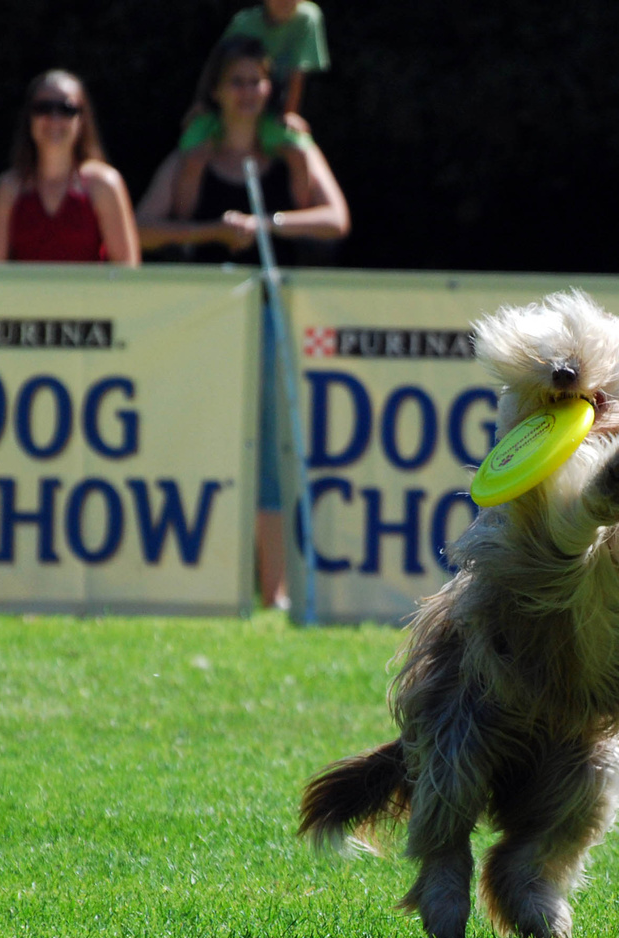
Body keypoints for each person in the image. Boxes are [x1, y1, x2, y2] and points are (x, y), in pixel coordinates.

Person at [137, 36, 349, 609]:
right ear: (216, 89)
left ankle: (272, 589)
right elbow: (145, 228)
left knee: (270, 448)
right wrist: (211, 232)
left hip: (271, 319)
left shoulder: (292, 152)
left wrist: (268, 224)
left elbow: (336, 219)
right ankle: (198, 574)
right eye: (237, 81)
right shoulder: (195, 155)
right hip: (210, 322)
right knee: (202, 436)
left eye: (257, 80)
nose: (248, 92)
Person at [0, 71, 139, 265]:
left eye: (66, 109)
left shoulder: (104, 184)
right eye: (43, 108)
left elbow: (127, 272)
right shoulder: (8, 188)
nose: (54, 119)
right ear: (29, 118)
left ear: (82, 119)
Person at [178, 0, 330, 149]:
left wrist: (289, 114)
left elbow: (297, 73)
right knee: (192, 141)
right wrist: (200, 102)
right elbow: (216, 65)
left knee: (299, 149)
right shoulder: (243, 23)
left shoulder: (308, 17)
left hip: (273, 111)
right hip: (229, 114)